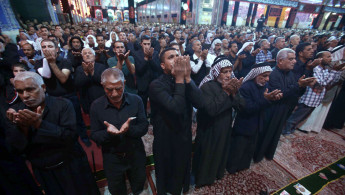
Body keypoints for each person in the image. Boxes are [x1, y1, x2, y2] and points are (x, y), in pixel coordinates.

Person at [5, 71, 100, 195]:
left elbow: (70, 137)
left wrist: (40, 124)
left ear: (43, 88)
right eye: (20, 91)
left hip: (70, 167)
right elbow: (15, 149)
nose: (25, 95)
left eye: (30, 89)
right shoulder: (17, 112)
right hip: (45, 172)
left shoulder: (62, 105)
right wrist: (22, 128)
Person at [149, 48, 203, 194]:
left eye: (178, 56)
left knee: (181, 166)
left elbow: (200, 102)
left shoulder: (184, 80)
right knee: (166, 169)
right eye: (171, 57)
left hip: (183, 133)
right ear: (162, 65)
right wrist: (180, 79)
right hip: (165, 136)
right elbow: (176, 108)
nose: (176, 60)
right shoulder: (156, 85)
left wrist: (187, 78)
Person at [90, 68, 148, 195]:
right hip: (112, 157)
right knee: (116, 190)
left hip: (135, 153)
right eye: (109, 90)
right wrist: (108, 133)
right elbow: (94, 134)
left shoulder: (136, 100)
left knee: (139, 185)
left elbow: (144, 126)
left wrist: (128, 130)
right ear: (103, 86)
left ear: (124, 83)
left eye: (119, 88)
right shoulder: (96, 106)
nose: (115, 94)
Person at [254, 48, 316, 162]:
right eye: (291, 59)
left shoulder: (291, 74)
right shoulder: (272, 74)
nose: (294, 61)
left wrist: (303, 86)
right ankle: (257, 155)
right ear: (280, 61)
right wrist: (298, 85)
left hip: (284, 109)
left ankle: (267, 153)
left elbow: (295, 93)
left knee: (276, 133)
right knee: (266, 133)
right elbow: (280, 94)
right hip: (272, 110)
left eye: (294, 59)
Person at [193, 57, 245, 187]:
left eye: (229, 71)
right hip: (209, 130)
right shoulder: (207, 87)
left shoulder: (231, 87)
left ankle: (217, 174)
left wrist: (234, 93)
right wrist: (226, 92)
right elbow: (211, 110)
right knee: (207, 155)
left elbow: (241, 107)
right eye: (225, 72)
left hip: (225, 128)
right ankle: (203, 180)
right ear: (216, 72)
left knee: (220, 153)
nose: (228, 75)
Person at [227, 62, 282, 173]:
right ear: (256, 75)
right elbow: (247, 108)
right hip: (244, 124)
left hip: (257, 123)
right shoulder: (246, 87)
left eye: (268, 76)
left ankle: (243, 166)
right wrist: (266, 100)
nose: (267, 79)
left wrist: (273, 98)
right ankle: (231, 168)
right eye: (265, 76)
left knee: (250, 148)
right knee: (238, 148)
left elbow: (265, 103)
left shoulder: (264, 86)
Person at [35, 39, 91, 146]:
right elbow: (46, 75)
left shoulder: (65, 61)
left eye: (50, 46)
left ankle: (84, 138)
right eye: (44, 47)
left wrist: (52, 63)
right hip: (52, 97)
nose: (47, 49)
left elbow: (63, 79)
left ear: (56, 49)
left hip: (69, 95)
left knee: (78, 120)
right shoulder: (39, 62)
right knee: (59, 122)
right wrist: (47, 62)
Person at [283, 51, 343, 134]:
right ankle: (285, 131)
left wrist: (337, 71)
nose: (331, 59)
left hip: (316, 99)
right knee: (296, 117)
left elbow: (332, 82)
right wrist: (333, 72)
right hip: (309, 98)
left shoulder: (325, 69)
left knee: (302, 117)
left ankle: (291, 130)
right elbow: (322, 83)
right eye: (328, 57)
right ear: (320, 58)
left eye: (331, 57)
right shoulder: (316, 68)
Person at [133, 35, 161, 114]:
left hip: (154, 83)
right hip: (142, 83)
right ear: (141, 44)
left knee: (155, 106)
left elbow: (157, 68)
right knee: (142, 106)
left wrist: (150, 58)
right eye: (145, 44)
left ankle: (154, 122)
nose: (147, 46)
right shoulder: (136, 54)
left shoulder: (155, 53)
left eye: (148, 44)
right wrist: (145, 58)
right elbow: (139, 70)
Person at [74, 47, 107, 114]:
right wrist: (86, 73)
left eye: (90, 53)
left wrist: (92, 73)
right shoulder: (79, 69)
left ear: (94, 56)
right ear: (82, 57)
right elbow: (77, 84)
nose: (87, 55)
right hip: (86, 100)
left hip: (102, 98)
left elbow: (104, 82)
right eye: (85, 53)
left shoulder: (102, 66)